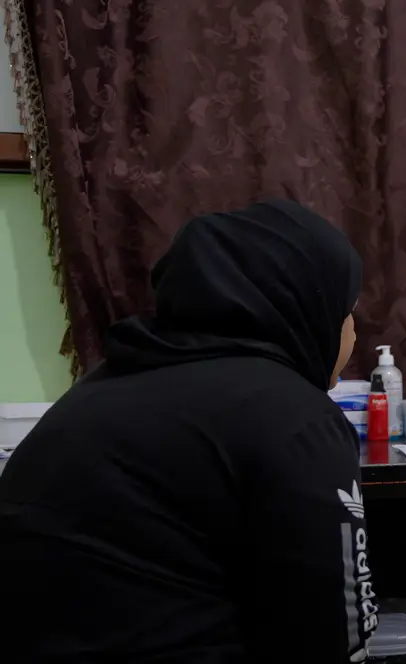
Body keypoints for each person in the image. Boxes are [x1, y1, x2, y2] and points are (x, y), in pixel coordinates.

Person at [0, 200, 378, 663]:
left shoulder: (100, 389)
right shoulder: (295, 418)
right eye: (348, 312)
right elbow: (332, 632)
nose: (353, 332)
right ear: (310, 308)